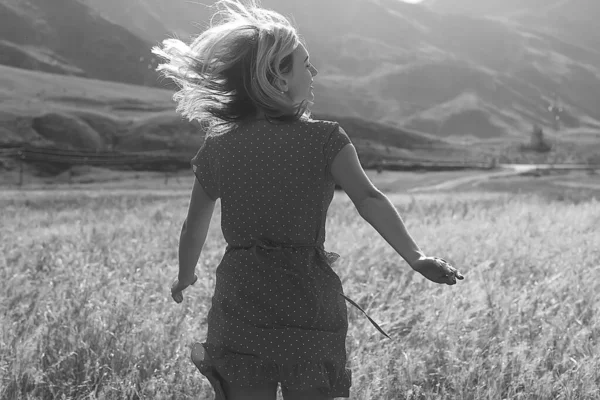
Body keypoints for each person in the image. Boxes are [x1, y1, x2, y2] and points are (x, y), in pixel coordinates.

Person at [153, 1, 464, 399]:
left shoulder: (220, 148)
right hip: (307, 297)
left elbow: (194, 223)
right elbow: (368, 199)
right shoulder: (325, 140)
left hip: (241, 296)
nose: (313, 73)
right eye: (304, 64)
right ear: (277, 79)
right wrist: (415, 256)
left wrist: (185, 273)